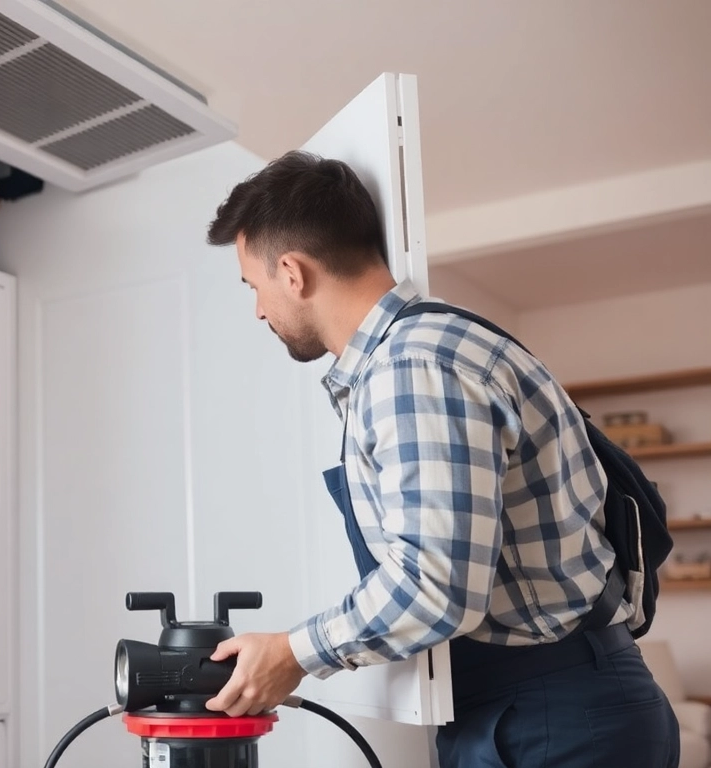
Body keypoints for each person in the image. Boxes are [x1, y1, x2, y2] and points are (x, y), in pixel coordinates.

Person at [198, 149, 680, 767]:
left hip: (554, 712)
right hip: (528, 706)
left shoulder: (412, 367)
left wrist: (293, 653)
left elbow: (435, 584)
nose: (259, 310)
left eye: (254, 286)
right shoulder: (427, 350)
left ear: (292, 272)